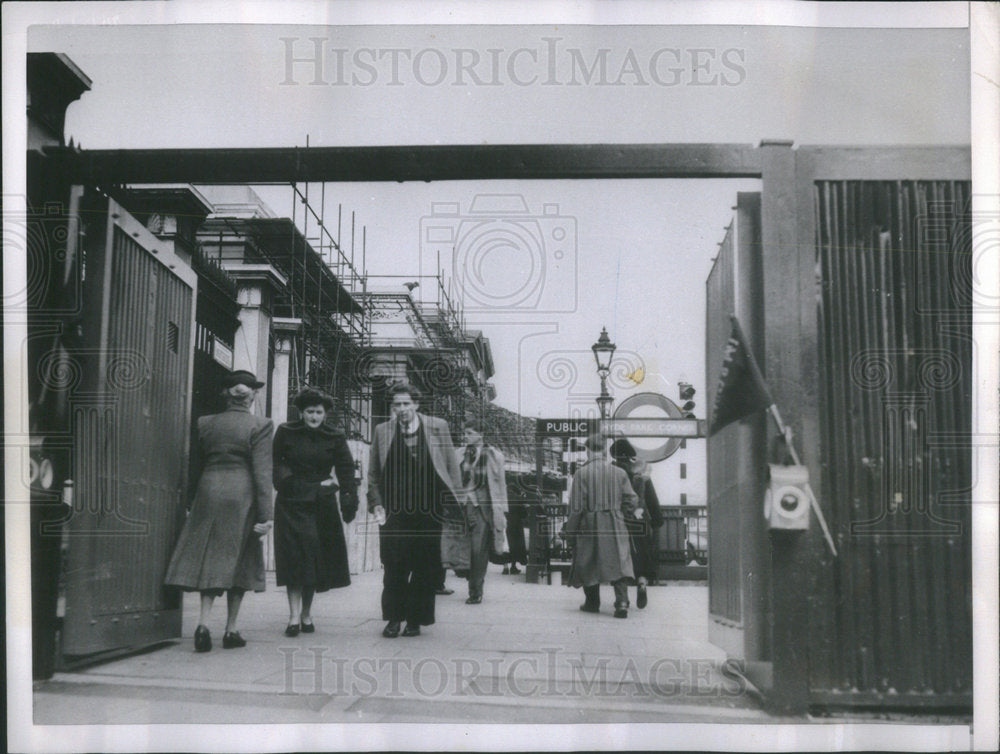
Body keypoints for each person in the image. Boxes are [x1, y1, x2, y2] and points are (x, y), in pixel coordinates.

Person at [165, 370, 274, 652]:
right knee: (241, 557)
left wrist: (191, 502)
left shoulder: (206, 423)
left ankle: (203, 624)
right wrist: (266, 515)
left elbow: (192, 463)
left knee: (211, 556)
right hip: (242, 493)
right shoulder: (260, 425)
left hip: (209, 489)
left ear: (225, 394)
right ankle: (231, 629)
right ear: (252, 396)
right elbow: (263, 473)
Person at [368, 383, 463, 637]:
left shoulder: (437, 427)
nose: (401, 409)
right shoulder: (382, 431)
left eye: (406, 404)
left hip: (428, 510)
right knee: (393, 565)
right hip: (394, 510)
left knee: (425, 566)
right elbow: (374, 473)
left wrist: (455, 502)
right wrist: (375, 501)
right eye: (396, 405)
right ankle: (393, 619)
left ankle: (415, 620)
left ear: (416, 404)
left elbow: (452, 468)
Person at [272, 387, 358, 637]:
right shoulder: (285, 432)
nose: (314, 417)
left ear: (325, 414)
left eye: (319, 412)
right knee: (293, 559)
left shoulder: (335, 436)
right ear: (301, 412)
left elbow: (345, 469)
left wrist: (348, 501)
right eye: (309, 411)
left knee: (312, 560)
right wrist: (306, 487)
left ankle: (306, 614)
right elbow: (277, 466)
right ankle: (292, 617)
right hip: (291, 502)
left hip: (321, 506)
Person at [563, 432, 640, 619]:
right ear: (604, 451)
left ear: (588, 450)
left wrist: (570, 532)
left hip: (590, 523)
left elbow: (576, 507)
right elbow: (631, 499)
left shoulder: (582, 473)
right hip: (616, 522)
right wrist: (622, 513)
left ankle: (592, 602)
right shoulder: (620, 473)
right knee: (620, 561)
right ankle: (621, 602)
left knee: (588, 560)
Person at [454, 417, 509, 604]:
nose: (466, 436)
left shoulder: (495, 456)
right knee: (462, 548)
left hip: (484, 509)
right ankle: (470, 578)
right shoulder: (458, 454)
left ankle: (476, 591)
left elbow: (501, 484)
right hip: (462, 506)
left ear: (481, 435)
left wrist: (502, 511)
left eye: (470, 433)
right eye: (465, 433)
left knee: (479, 550)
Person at [609, 438, 664, 609]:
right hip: (641, 521)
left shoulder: (613, 472)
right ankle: (642, 582)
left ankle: (622, 597)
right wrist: (656, 520)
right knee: (641, 554)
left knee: (622, 558)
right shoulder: (642, 474)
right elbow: (652, 500)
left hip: (620, 520)